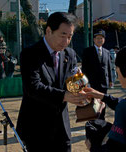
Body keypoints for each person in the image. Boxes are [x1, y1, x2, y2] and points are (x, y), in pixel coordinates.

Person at [16, 12, 87, 152]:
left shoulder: (70, 54)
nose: (66, 41)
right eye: (63, 35)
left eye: (70, 36)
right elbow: (33, 87)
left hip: (62, 127)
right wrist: (65, 96)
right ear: (49, 31)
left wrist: (82, 90)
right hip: (36, 128)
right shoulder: (30, 54)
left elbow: (71, 81)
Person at [82, 29, 112, 120]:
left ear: (104, 40)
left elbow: (109, 67)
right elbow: (84, 68)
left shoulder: (107, 52)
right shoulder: (88, 51)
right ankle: (93, 120)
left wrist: (110, 80)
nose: (100, 40)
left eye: (101, 38)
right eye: (98, 38)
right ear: (94, 39)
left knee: (103, 102)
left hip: (104, 82)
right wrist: (85, 82)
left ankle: (101, 119)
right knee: (93, 102)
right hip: (92, 82)